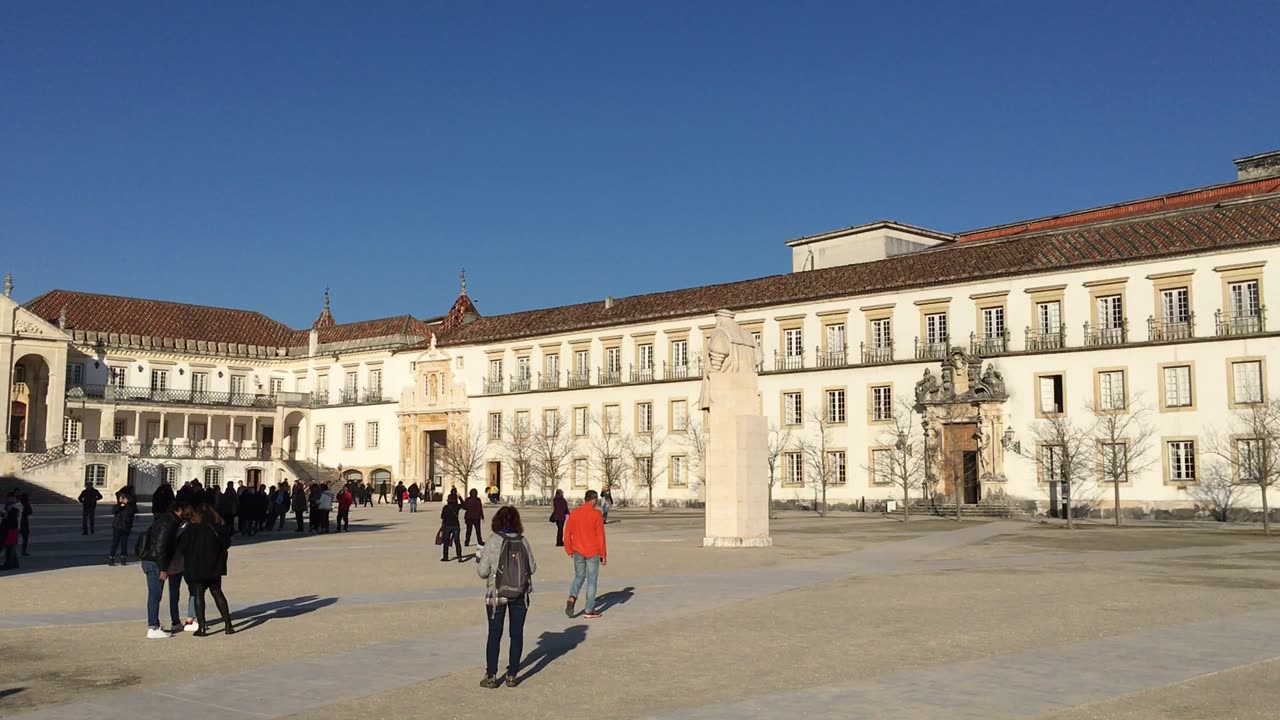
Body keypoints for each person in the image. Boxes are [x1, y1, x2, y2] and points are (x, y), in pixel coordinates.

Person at [476, 506, 536, 689]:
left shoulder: (493, 541)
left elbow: (483, 572)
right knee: (516, 634)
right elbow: (532, 568)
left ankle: (491, 675)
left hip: (497, 593)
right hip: (520, 592)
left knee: (495, 634)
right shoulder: (523, 541)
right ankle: (512, 675)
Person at [175, 503, 234, 636]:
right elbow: (227, 544)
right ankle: (228, 624)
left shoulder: (191, 527)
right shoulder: (218, 526)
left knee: (198, 595)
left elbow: (181, 547)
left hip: (196, 566)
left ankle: (201, 627)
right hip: (214, 565)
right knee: (217, 593)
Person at [136, 498, 184, 638]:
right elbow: (161, 546)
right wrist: (163, 568)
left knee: (154, 594)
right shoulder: (169, 522)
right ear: (179, 510)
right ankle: (153, 627)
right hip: (154, 562)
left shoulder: (162, 518)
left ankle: (154, 623)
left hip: (150, 559)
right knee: (155, 595)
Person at [563, 489, 607, 619]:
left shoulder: (575, 513)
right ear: (593, 500)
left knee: (579, 576)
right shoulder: (596, 514)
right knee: (592, 581)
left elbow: (567, 533)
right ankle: (589, 609)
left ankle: (572, 597)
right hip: (593, 551)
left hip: (577, 551)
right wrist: (603, 554)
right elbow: (601, 536)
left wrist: (569, 549)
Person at [109, 487, 138, 566]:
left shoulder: (131, 506)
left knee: (124, 543)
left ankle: (123, 558)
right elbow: (114, 511)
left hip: (126, 526)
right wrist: (121, 505)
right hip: (117, 525)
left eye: (123, 498)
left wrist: (127, 504)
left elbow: (132, 511)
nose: (121, 499)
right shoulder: (118, 506)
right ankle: (111, 557)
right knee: (115, 542)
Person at [440, 495, 463, 562]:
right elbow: (464, 505)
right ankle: (459, 557)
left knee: (446, 541)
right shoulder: (457, 507)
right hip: (456, 525)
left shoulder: (445, 507)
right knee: (457, 541)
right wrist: (460, 498)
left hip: (447, 525)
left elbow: (442, 516)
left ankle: (445, 557)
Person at [1, 500, 19, 570]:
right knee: (11, 551)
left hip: (9, 535)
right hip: (12, 535)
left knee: (9, 551)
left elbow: (6, 525)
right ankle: (14, 564)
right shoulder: (13, 514)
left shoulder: (10, 515)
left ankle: (9, 565)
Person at [18, 491, 32, 556]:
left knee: (12, 538)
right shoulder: (26, 504)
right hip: (24, 522)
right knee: (25, 538)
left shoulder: (18, 503)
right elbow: (30, 512)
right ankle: (23, 551)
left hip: (17, 522)